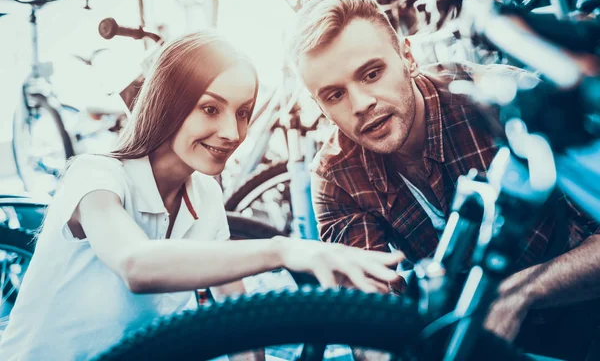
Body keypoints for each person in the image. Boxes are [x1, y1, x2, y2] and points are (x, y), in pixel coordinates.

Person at [0, 31, 403, 361]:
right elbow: (135, 265)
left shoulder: (204, 194)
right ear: (166, 104)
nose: (232, 132)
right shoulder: (97, 174)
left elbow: (236, 317)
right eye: (210, 109)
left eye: (243, 112)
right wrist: (284, 249)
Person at [285, 0, 600, 360]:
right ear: (320, 107)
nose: (361, 103)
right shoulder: (338, 177)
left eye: (372, 73)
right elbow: (368, 318)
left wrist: (520, 292)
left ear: (407, 56)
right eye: (334, 95)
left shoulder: (500, 105)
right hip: (462, 343)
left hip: (582, 313)